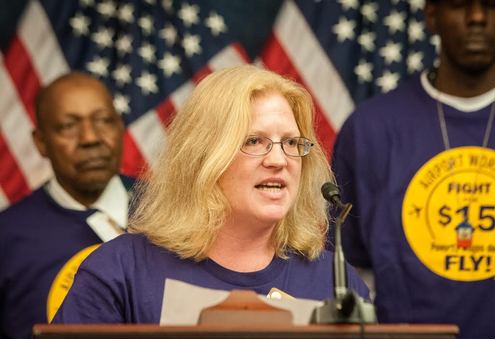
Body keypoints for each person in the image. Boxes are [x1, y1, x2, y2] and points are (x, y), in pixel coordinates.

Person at [52, 65, 369, 324]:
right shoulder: (118, 271)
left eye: (290, 143)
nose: (279, 160)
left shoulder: (337, 283)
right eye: (254, 141)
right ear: (203, 157)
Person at [332, 0, 495, 339]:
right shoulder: (370, 130)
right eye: (459, 4)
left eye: (493, 5)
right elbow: (343, 277)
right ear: (431, 16)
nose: (477, 17)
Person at [0, 72, 133, 339]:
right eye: (69, 126)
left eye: (103, 120)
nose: (90, 138)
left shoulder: (175, 211)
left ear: (120, 127)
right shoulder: (7, 236)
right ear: (41, 142)